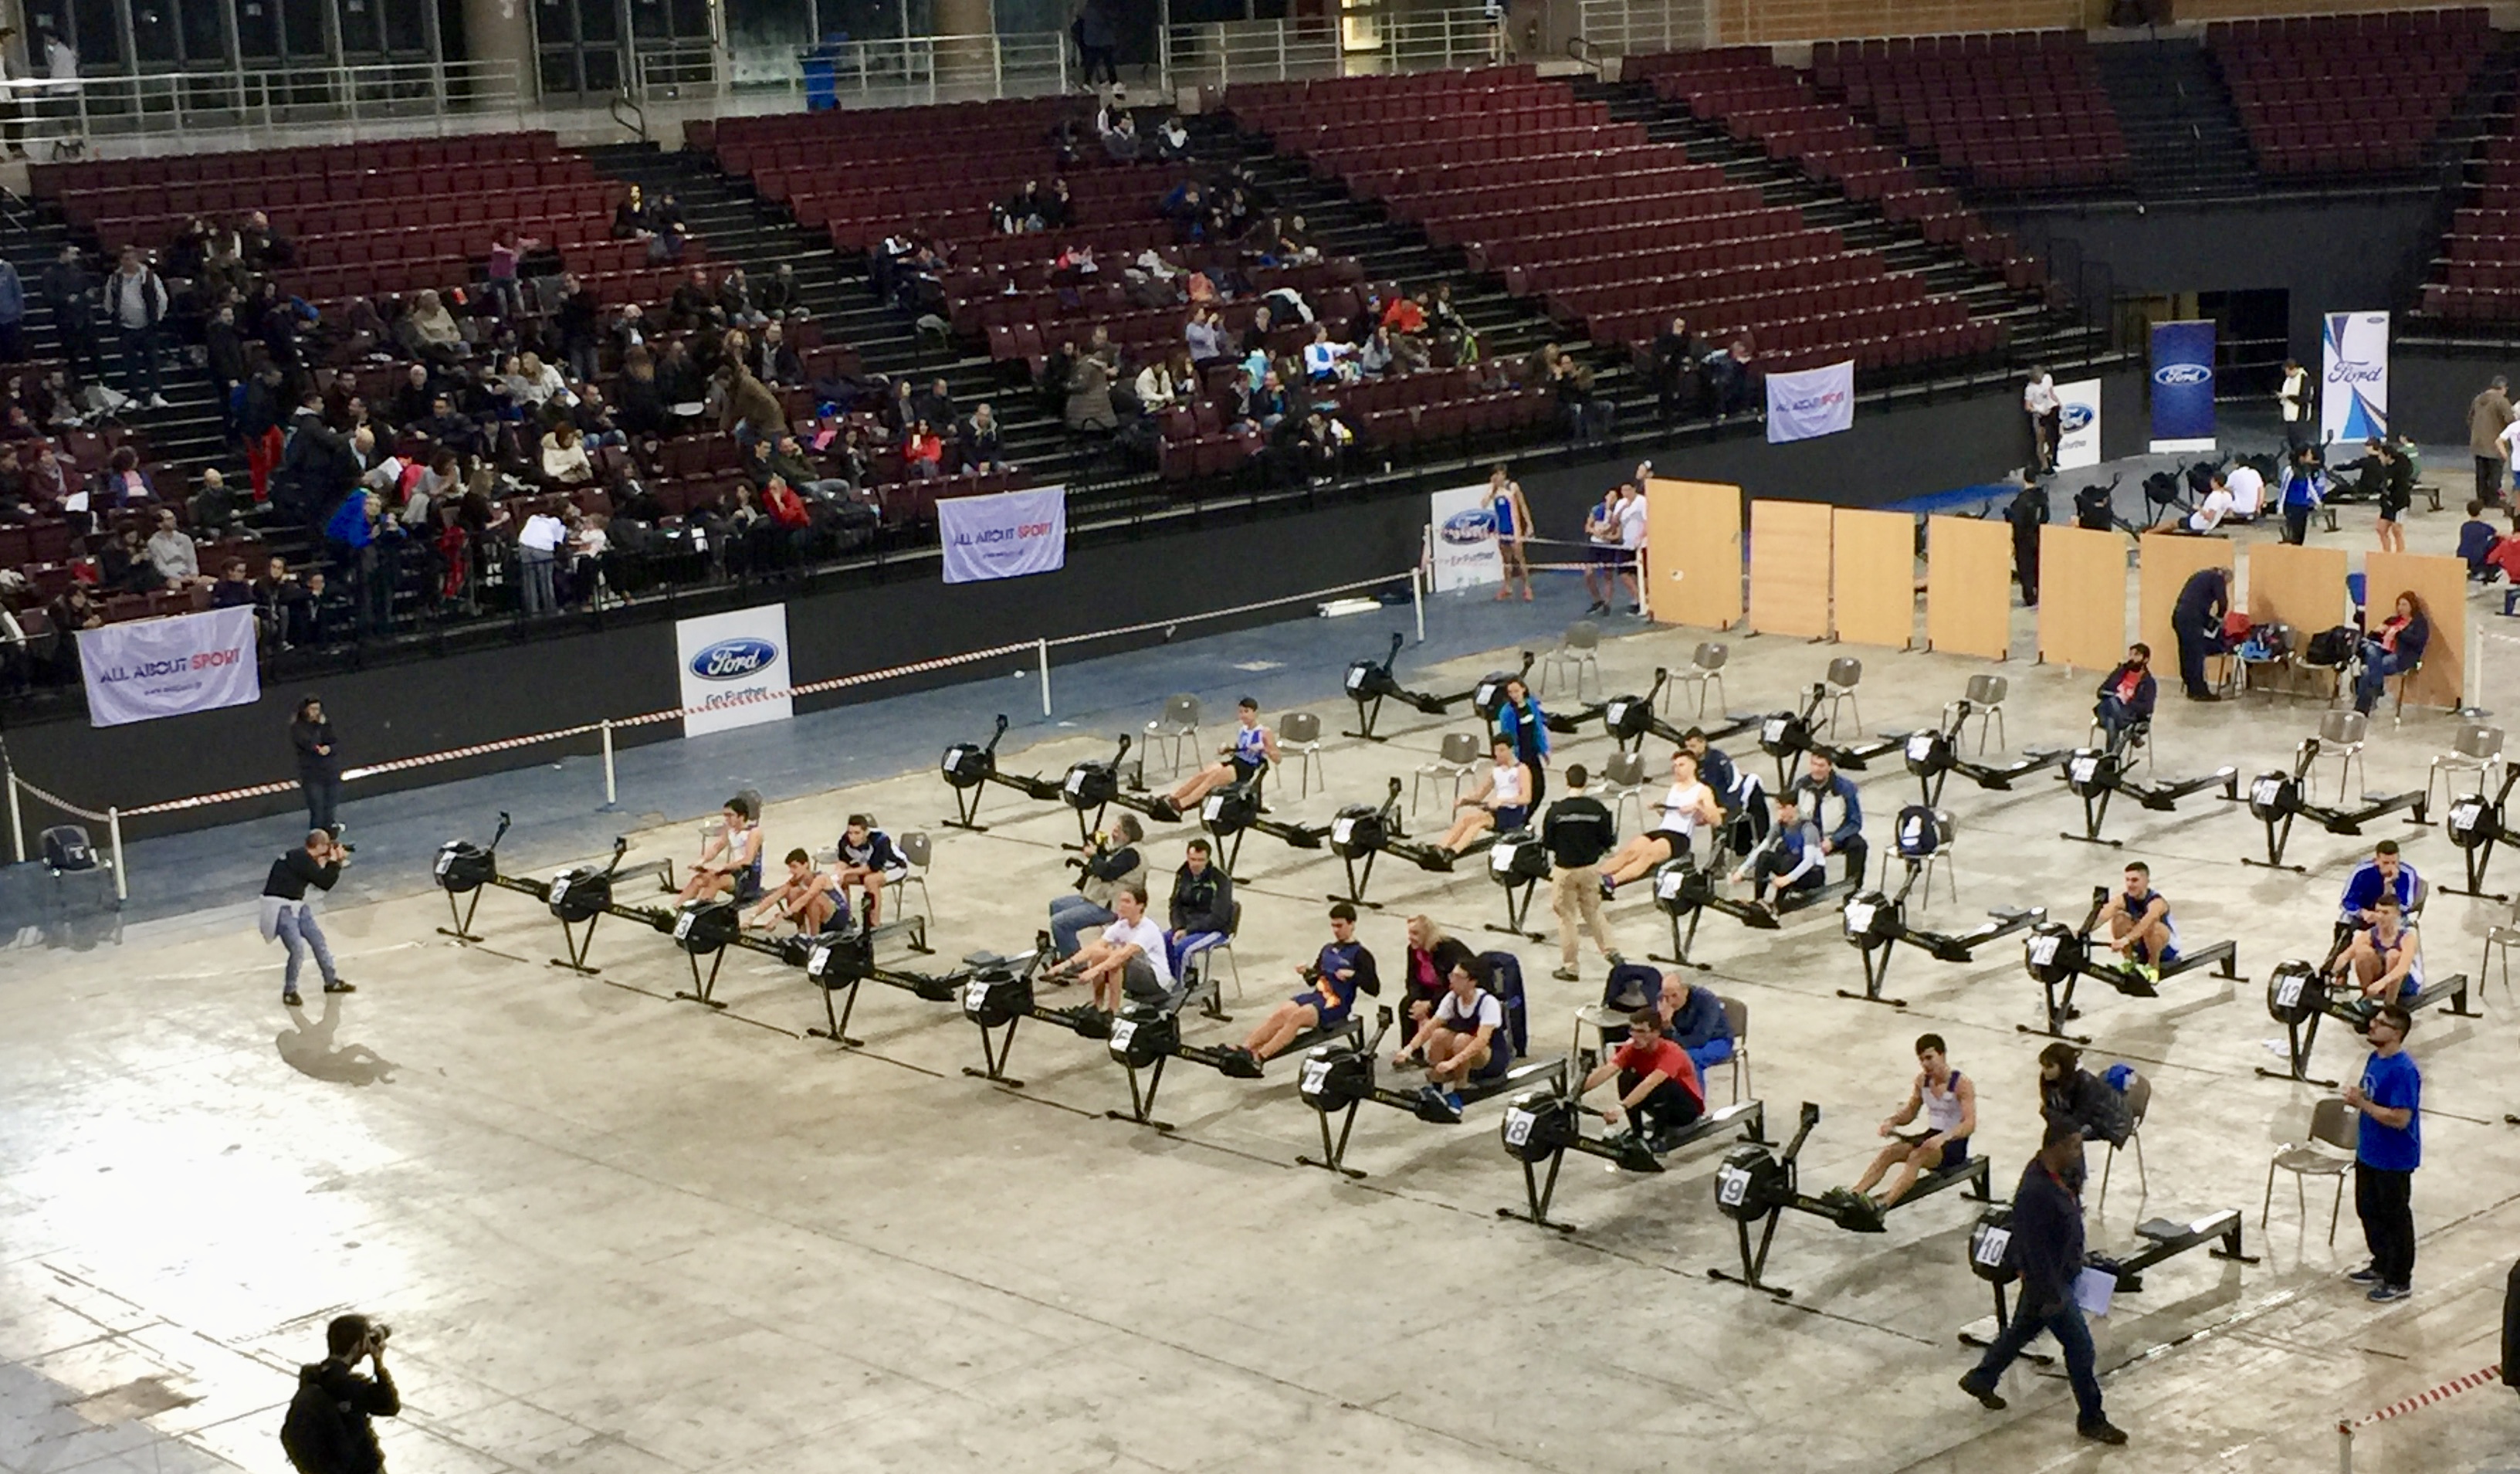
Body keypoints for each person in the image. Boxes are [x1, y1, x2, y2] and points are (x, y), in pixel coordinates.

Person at [1957, 1120, 2125, 1445]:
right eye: (2074, 1146)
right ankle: (2092, 1419)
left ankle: (1981, 1378)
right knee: (2081, 1348)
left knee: (2022, 1330)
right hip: (2050, 1284)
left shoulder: (2060, 1175)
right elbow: (2032, 1246)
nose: (2079, 1153)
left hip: (2060, 1275)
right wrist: (2051, 1294)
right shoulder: (2035, 1191)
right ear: (2055, 1146)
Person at [1232, 903, 1376, 1065]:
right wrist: (1306, 972)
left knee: (1299, 1016)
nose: (1336, 930)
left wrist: (1354, 975)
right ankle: (1246, 1048)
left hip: (1337, 1003)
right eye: (1333, 926)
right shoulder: (1328, 949)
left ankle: (1260, 1057)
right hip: (1318, 996)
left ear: (1352, 924)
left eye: (1340, 926)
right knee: (1283, 1012)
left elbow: (1374, 989)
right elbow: (1313, 979)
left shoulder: (1361, 955)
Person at [2345, 1004, 2420, 1302]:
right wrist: (2360, 1096)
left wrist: (2363, 1104)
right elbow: (2373, 1095)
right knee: (2368, 1210)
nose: (2372, 1026)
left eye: (2380, 1023)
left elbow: (2400, 1118)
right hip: (2369, 1151)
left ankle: (2399, 1279)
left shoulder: (2404, 1070)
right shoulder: (2374, 1058)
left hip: (2393, 1158)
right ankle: (2381, 1263)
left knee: (2395, 1218)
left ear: (2397, 1033)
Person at [1849, 1033, 1975, 1209]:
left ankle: (1883, 1205)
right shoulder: (1922, 1081)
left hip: (1953, 1144)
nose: (1925, 1064)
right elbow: (1910, 1112)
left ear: (1942, 1055)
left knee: (1916, 1157)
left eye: (1929, 1058)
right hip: (1930, 1137)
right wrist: (1892, 1122)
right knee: (1890, 1152)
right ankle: (1854, 1194)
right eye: (1921, 1059)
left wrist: (1944, 1137)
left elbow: (1969, 1124)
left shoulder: (1962, 1084)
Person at [1395, 954, 1513, 1118]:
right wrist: (1408, 1049)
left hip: (1490, 1060)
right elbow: (1431, 1027)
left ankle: (1461, 1089)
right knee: (1439, 1035)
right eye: (1452, 975)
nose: (1452, 980)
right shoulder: (1452, 998)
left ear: (1472, 982)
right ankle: (1436, 1086)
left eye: (1458, 977)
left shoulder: (1488, 1003)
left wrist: (1453, 1062)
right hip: (1464, 1055)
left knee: (1462, 1040)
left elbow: (1481, 1041)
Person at [283, 1314, 399, 1474]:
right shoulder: (351, 1386)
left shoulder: (313, 1378)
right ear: (357, 1346)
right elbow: (390, 1406)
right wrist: (378, 1363)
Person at [1597, 748, 1721, 896]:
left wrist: (1698, 807)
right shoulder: (1675, 787)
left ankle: (1612, 881)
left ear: (1693, 766)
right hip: (1663, 830)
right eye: (1675, 766)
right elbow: (1669, 811)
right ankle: (1596, 876)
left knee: (1648, 854)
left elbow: (1716, 820)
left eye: (1681, 765)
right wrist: (1660, 808)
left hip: (1679, 836)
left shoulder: (1702, 790)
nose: (1677, 769)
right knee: (1630, 851)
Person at [1044, 882, 1172, 1018]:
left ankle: (1113, 1010)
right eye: (1121, 901)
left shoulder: (1147, 929)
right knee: (1099, 953)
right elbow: (1095, 947)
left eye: (1127, 902)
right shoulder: (1122, 925)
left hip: (1155, 979)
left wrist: (1094, 971)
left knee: (1114, 957)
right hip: (1135, 971)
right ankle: (1097, 1005)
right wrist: (1065, 965)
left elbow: (1123, 955)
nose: (1121, 905)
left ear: (1140, 906)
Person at [1541, 763, 1617, 981]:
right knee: (1593, 911)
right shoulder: (1598, 809)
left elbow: (1548, 843)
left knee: (1567, 918)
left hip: (1565, 870)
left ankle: (1571, 967)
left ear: (1567, 781)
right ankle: (1612, 952)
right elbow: (1607, 840)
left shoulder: (1556, 811)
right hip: (1590, 869)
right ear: (1586, 782)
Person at [1578, 1008, 1704, 1140]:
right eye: (1632, 1030)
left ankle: (1659, 1138)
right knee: (1626, 1077)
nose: (1635, 1036)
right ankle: (1637, 1134)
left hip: (1685, 1110)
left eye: (1641, 1032)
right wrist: (1577, 1092)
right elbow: (1608, 1069)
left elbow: (1650, 1083)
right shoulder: (1632, 1048)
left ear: (1656, 1032)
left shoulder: (1672, 1052)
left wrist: (1621, 1107)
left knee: (1663, 1085)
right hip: (1659, 1103)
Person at [262, 828, 351, 1008]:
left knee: (318, 941)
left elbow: (315, 875)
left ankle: (331, 981)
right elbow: (324, 882)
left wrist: (328, 862)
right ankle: (290, 991)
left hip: (296, 905)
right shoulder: (303, 860)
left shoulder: (299, 856)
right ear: (320, 846)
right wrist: (335, 863)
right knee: (297, 949)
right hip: (282, 907)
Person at [1049, 814, 1144, 957]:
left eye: (1117, 830)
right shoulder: (1123, 849)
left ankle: (1074, 963)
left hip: (1112, 906)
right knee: (1056, 905)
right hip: (1099, 898)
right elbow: (1108, 863)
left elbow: (1107, 872)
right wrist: (1100, 850)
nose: (1113, 833)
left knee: (1059, 923)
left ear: (1126, 835)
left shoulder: (1131, 855)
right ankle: (1065, 950)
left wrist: (1093, 856)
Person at [1167, 697, 1275, 811]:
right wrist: (1228, 749)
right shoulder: (1244, 731)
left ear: (1255, 713)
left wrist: (1263, 749)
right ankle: (1173, 798)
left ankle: (1181, 805)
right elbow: (1239, 749)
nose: (1243, 715)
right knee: (1205, 773)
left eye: (1246, 711)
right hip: (1235, 762)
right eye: (1241, 712)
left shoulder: (1264, 732)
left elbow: (1275, 756)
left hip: (1246, 769)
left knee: (1211, 780)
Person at [1729, 791, 1826, 912]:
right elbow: (1762, 848)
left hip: (1812, 874)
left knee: (1789, 859)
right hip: (1791, 867)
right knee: (1764, 856)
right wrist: (1742, 870)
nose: (1780, 813)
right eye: (1778, 808)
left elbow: (1809, 861)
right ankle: (1759, 900)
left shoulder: (1808, 828)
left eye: (1783, 808)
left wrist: (1788, 879)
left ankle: (1777, 904)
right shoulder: (1780, 826)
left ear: (1794, 808)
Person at [1434, 737, 1528, 856]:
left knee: (1479, 820)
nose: (1498, 754)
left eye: (1502, 750)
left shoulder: (1521, 770)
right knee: (1467, 817)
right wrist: (1465, 799)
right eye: (1496, 751)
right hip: (1497, 810)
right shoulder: (1496, 771)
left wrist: (1503, 801)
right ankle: (1440, 847)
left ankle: (1454, 851)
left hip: (1512, 813)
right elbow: (1479, 795)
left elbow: (1526, 798)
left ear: (1511, 750)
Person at [103, 247, 171, 409]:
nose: (129, 262)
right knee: (130, 365)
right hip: (126, 328)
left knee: (152, 362)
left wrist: (156, 318)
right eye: (125, 259)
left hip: (147, 326)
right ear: (121, 261)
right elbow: (109, 300)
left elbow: (161, 298)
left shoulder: (149, 276)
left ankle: (155, 394)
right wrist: (115, 317)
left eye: (132, 258)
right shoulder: (115, 279)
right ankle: (135, 396)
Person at [2331, 893, 2422, 1008]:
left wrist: (2382, 982)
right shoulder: (2369, 935)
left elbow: (2403, 968)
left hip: (2405, 984)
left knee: (2393, 955)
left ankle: (2390, 1004)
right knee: (2362, 952)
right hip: (2381, 983)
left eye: (2385, 913)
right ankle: (2367, 1000)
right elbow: (2345, 956)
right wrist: (2331, 972)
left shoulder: (2407, 937)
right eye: (2378, 911)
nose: (2380, 916)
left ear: (2397, 914)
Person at [1789, 751, 1867, 884]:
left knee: (1858, 845)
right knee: (1784, 847)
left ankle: (1852, 889)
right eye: (1813, 764)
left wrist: (1834, 840)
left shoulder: (1845, 788)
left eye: (1821, 766)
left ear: (1830, 767)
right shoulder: (1802, 785)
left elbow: (1855, 822)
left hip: (1835, 835)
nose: (1816, 769)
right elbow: (1792, 813)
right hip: (1808, 834)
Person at [2095, 861, 2177, 979]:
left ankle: (2153, 969)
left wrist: (2125, 940)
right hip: (2142, 944)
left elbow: (2146, 922)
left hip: (2165, 949)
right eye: (2127, 880)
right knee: (2119, 918)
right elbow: (2102, 916)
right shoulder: (2123, 899)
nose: (2130, 884)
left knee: (2152, 926)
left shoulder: (2157, 902)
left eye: (2134, 880)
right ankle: (2129, 962)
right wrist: (2082, 932)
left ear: (2146, 881)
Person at [2353, 591, 2430, 717]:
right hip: (2383, 652)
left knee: (2367, 672)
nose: (2401, 608)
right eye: (2399, 604)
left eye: (2404, 605)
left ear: (2412, 606)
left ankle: (2361, 709)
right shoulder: (2393, 621)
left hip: (2403, 657)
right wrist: (2376, 632)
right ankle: (2378, 688)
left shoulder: (2419, 623)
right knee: (2371, 650)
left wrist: (2399, 634)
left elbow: (2418, 642)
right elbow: (2371, 638)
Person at [678, 795, 765, 903]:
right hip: (734, 872)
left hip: (748, 877)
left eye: (730, 815)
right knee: (699, 879)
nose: (727, 819)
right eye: (725, 816)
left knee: (715, 881)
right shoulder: (730, 830)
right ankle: (677, 907)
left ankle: (701, 908)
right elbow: (717, 847)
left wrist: (723, 867)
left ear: (741, 816)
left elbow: (747, 860)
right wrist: (702, 860)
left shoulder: (753, 833)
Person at [1166, 838, 1233, 978]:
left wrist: (1189, 930)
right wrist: (1178, 927)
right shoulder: (1183, 875)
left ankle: (1183, 987)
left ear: (1208, 860)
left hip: (1212, 929)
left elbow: (1218, 917)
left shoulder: (1220, 880)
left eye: (1200, 860)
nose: (1196, 864)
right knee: (1163, 941)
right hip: (1186, 925)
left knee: (1183, 948)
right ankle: (1172, 980)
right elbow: (1175, 905)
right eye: (1193, 859)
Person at [1399, 914, 1472, 1042]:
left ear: (1427, 934)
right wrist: (1417, 1001)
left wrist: (1430, 1005)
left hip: (1455, 993)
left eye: (1415, 933)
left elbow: (1453, 985)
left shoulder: (1448, 950)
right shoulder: (1413, 950)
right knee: (1407, 1005)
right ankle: (1410, 1049)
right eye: (1409, 933)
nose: (1410, 937)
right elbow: (1412, 980)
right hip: (1432, 991)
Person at [833, 813, 909, 925]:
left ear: (866, 832)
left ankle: (874, 923)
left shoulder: (880, 840)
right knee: (841, 879)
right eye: (850, 833)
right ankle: (847, 918)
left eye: (857, 833)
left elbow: (873, 868)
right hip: (868, 867)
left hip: (894, 867)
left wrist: (846, 872)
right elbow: (843, 860)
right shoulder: (844, 842)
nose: (852, 837)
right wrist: (839, 872)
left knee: (870, 880)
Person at [746, 849, 842, 936]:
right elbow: (774, 897)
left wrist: (779, 919)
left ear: (806, 865)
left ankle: (814, 937)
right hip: (822, 916)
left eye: (794, 867)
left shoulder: (821, 878)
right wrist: (752, 917)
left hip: (837, 917)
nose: (791, 871)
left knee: (813, 900)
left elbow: (806, 898)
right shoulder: (795, 880)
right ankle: (802, 931)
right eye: (790, 868)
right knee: (793, 892)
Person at [1657, 972, 1734, 1079]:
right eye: (1666, 996)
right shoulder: (1663, 1001)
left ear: (1684, 990)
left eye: (1674, 996)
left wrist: (1673, 1044)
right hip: (1684, 1040)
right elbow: (1658, 1034)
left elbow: (1700, 1038)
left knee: (1688, 1059)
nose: (1670, 1001)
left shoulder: (1706, 1000)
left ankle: (1694, 1091)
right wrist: (1666, 1024)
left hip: (1717, 1040)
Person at [2172, 564, 2230, 700]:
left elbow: (2196, 604)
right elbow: (2223, 603)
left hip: (2179, 615)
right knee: (2196, 654)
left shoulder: (2199, 575)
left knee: (2186, 653)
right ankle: (2201, 692)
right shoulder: (2217, 578)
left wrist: (2209, 621)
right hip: (2191, 618)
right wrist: (2219, 618)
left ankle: (2191, 688)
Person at [290, 696, 344, 838]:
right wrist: (320, 728)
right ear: (305, 710)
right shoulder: (298, 728)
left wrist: (329, 748)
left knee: (330, 809)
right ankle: (316, 840)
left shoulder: (326, 725)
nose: (316, 712)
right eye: (312, 709)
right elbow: (309, 744)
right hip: (312, 776)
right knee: (317, 810)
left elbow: (335, 742)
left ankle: (330, 838)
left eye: (318, 709)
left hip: (331, 773)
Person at [2339, 839, 2420, 931]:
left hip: (2392, 916)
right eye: (2385, 863)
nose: (2390, 867)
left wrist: (2389, 887)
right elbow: (2347, 901)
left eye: (2394, 863)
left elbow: (2406, 905)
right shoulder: (2362, 872)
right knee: (2346, 919)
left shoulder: (2407, 874)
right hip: (2366, 913)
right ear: (2377, 860)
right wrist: (2362, 912)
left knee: (2405, 926)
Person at [2092, 642, 2156, 752]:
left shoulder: (2148, 682)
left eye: (2137, 655)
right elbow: (2101, 691)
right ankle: (2132, 734)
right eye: (2131, 654)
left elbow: (2147, 708)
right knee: (2112, 701)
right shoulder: (2120, 672)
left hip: (2131, 714)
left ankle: (2110, 757)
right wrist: (2115, 698)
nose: (2132, 658)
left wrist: (2126, 702)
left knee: (2112, 720)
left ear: (2146, 659)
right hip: (2109, 711)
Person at [1487, 467, 1534, 601]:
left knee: (1520, 559)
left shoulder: (1513, 487)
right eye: (1494, 475)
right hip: (1502, 531)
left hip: (1514, 530)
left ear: (1503, 474)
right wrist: (1493, 489)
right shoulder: (1494, 490)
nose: (1496, 477)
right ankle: (1508, 587)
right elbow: (1484, 504)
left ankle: (1527, 588)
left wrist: (1529, 524)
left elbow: (1523, 505)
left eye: (1498, 474)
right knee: (1506, 561)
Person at [2469, 374, 2514, 507]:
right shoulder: (2501, 401)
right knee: (2495, 473)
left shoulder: (2478, 399)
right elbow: (2510, 420)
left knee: (2481, 473)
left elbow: (2470, 418)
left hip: (2478, 443)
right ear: (2503, 388)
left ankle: (2481, 499)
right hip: (2495, 444)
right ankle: (2493, 500)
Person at [1581, 483, 1625, 615]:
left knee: (1608, 576)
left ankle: (1607, 604)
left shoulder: (1617, 514)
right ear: (1605, 496)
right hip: (1595, 545)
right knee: (1588, 573)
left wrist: (1608, 537)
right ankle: (1597, 600)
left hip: (1608, 547)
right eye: (1609, 496)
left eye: (1614, 497)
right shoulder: (1596, 509)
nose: (1611, 499)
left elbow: (1618, 535)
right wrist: (1595, 532)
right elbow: (1588, 527)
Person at [2280, 444, 2327, 547]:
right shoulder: (2290, 470)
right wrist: (2280, 507)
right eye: (2309, 454)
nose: (2311, 457)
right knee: (2294, 534)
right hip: (2292, 505)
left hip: (2303, 505)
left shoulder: (2306, 470)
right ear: (2301, 457)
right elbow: (2284, 489)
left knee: (2301, 534)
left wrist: (2317, 501)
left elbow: (2309, 487)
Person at [2023, 367, 2061, 475]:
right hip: (2039, 415)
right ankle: (2045, 466)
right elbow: (2027, 406)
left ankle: (2049, 456)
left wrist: (2058, 402)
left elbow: (2051, 393)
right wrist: (2039, 410)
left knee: (2058, 435)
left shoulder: (2048, 378)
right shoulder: (2030, 389)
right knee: (2041, 441)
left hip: (2051, 411)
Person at [2278, 357, 2312, 452]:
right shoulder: (2289, 379)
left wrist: (2288, 397)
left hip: (2299, 416)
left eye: (2287, 371)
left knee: (2299, 441)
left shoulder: (2304, 379)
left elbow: (2304, 398)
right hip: (2290, 414)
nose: (2286, 374)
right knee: (2292, 440)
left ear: (2293, 369)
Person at [2460, 501, 2500, 577]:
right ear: (2481, 512)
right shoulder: (2485, 527)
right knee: (2496, 542)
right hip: (2478, 558)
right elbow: (2497, 534)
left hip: (2463, 556)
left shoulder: (2464, 526)